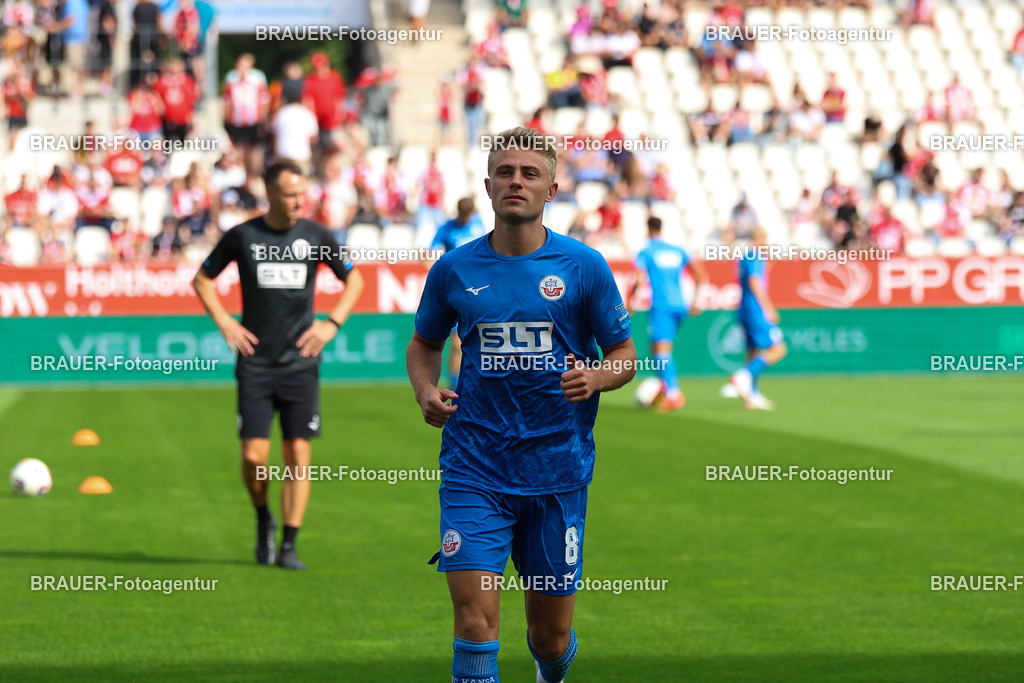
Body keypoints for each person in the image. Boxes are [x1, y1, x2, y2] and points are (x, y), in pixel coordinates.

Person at [406, 127, 636, 683]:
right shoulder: (454, 269)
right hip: (474, 467)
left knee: (549, 638)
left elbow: (625, 355)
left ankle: (550, 668)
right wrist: (425, 389)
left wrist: (597, 377)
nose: (516, 182)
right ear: (488, 186)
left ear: (551, 189)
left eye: (530, 173)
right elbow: (423, 344)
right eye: (505, 172)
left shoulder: (583, 266)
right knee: (475, 623)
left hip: (557, 471)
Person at [192, 160, 365, 569]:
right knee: (254, 458)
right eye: (291, 194)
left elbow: (355, 280)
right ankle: (263, 517)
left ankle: (289, 544)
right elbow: (201, 279)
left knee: (298, 454)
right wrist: (224, 322)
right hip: (255, 364)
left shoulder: (317, 236)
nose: (300, 201)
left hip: (300, 363)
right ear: (270, 194)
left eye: (303, 193)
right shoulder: (243, 236)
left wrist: (331, 324)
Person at [630, 216, 706, 412]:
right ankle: (665, 388)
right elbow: (700, 273)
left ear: (648, 229)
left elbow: (639, 280)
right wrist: (695, 299)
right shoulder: (678, 249)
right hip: (681, 305)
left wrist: (630, 300)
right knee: (657, 349)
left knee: (661, 350)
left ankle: (673, 394)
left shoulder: (646, 251)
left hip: (662, 305)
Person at [428, 196, 488, 388]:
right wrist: (437, 273)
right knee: (457, 343)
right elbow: (430, 252)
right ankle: (454, 386)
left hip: (478, 288)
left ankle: (473, 382)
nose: (465, 219)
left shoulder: (478, 225)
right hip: (457, 288)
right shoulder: (447, 228)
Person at [729, 226, 787, 410]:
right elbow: (754, 281)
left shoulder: (745, 257)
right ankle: (744, 375)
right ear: (760, 238)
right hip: (755, 310)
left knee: (753, 352)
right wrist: (768, 308)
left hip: (744, 309)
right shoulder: (755, 256)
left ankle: (752, 395)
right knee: (778, 349)